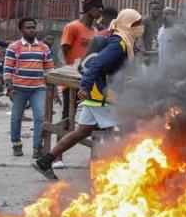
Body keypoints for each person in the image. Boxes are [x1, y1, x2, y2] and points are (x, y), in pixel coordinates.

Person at [33, 9, 142, 180]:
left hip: (95, 96)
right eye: (137, 24)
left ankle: (45, 161)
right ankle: (120, 172)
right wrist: (86, 85)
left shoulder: (122, 40)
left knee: (82, 131)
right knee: (127, 129)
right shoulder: (119, 42)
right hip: (103, 97)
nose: (140, 27)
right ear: (127, 24)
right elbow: (98, 64)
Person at [3, 18, 54, 159]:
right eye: (28, 28)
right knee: (16, 117)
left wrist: (53, 90)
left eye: (33, 27)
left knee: (40, 117)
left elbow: (50, 71)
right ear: (21, 30)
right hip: (18, 89)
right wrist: (9, 87)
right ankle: (16, 144)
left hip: (38, 89)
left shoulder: (44, 48)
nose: (31, 30)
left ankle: (37, 147)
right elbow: (7, 69)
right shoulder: (14, 47)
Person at [60, 0, 103, 118]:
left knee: (92, 113)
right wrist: (68, 71)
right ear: (90, 9)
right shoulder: (73, 27)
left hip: (89, 78)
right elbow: (63, 50)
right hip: (72, 77)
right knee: (68, 114)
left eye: (101, 8)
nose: (100, 11)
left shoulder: (95, 31)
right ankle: (63, 138)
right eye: (97, 8)